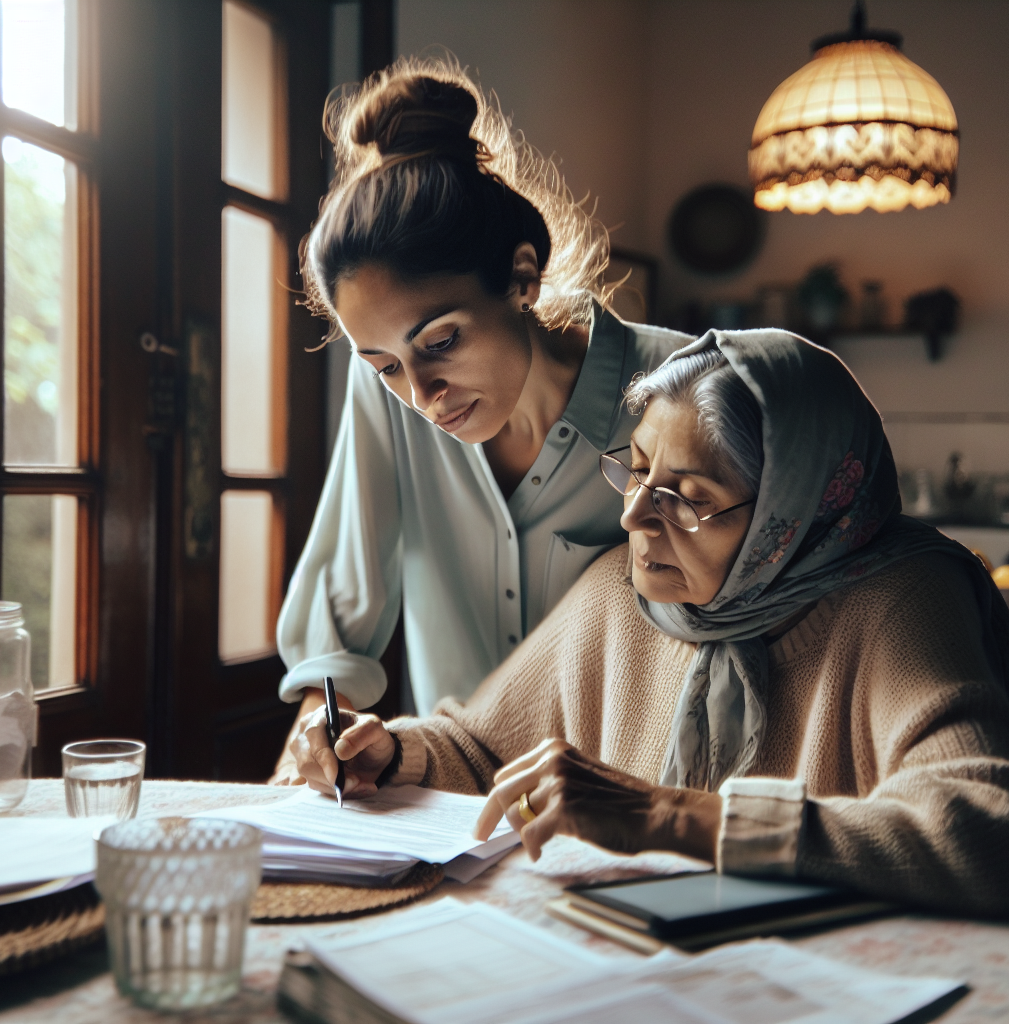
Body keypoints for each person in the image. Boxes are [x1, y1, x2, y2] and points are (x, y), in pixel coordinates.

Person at [288, 331, 1009, 920]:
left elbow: (1006, 841)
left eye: (688, 496)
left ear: (788, 514)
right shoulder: (625, 596)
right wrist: (386, 751)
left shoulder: (901, 597)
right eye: (636, 471)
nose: (633, 516)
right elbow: (483, 749)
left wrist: (667, 815)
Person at [271, 58, 694, 781]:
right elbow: (341, 620)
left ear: (522, 277)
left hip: (638, 806)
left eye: (441, 342)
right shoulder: (385, 399)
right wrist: (319, 728)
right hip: (448, 802)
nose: (422, 393)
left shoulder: (681, 392)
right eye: (386, 364)